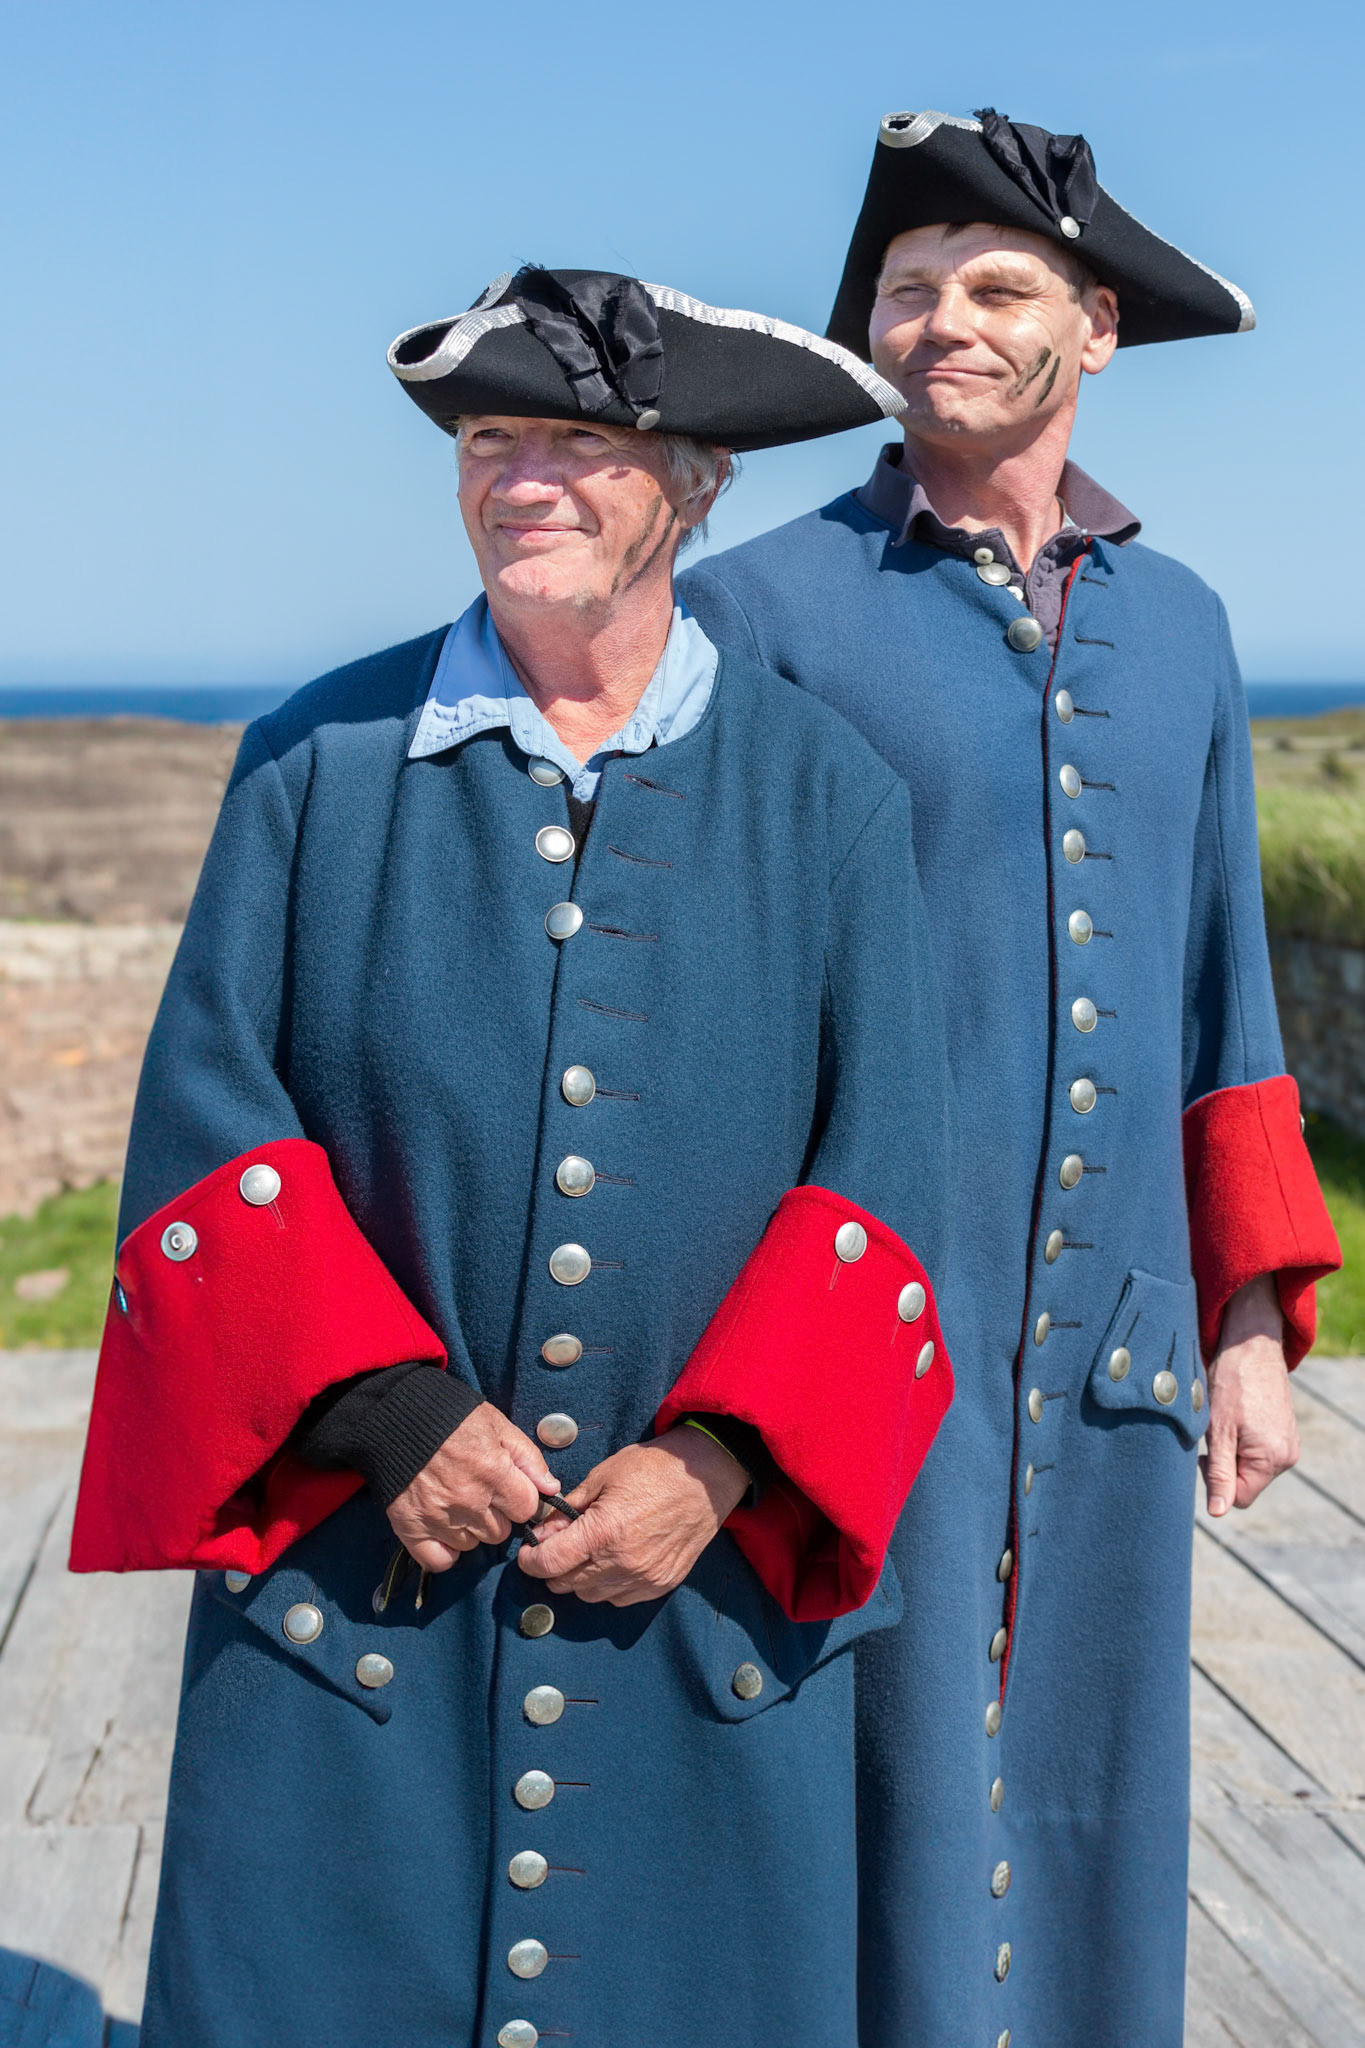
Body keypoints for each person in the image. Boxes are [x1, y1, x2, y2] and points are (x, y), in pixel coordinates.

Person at [70, 266, 956, 2048]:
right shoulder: (314, 765)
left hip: (690, 1611)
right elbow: (208, 1131)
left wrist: (713, 1464)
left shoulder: (828, 797)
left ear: (695, 484)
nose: (523, 478)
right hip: (355, 1622)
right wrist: (386, 1410)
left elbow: (885, 1185)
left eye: (581, 442)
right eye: (490, 439)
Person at [679, 112, 1343, 2048]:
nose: (941, 322)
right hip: (856, 1305)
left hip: (1120, 1318)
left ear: (1095, 329)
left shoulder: (1185, 623)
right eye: (906, 291)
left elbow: (1223, 989)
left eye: (993, 287)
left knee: (1091, 1782)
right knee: (849, 1762)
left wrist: (1241, 1315)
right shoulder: (753, 611)